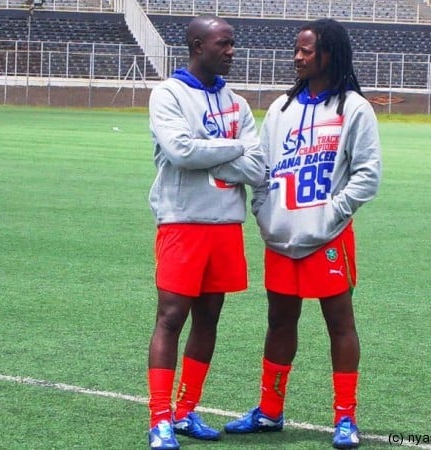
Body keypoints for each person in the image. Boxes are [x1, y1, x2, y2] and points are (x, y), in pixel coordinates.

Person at [223, 18, 382, 449]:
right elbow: (262, 166)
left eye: (307, 50)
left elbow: (367, 175)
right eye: (297, 49)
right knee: (279, 323)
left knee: (340, 324)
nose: (298, 56)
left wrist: (334, 212)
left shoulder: (354, 109)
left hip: (327, 237)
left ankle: (345, 418)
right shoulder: (281, 109)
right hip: (281, 236)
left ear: (329, 53)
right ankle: (270, 411)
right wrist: (264, 211)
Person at [146, 15, 265, 450]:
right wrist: (236, 149)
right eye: (224, 43)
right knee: (171, 317)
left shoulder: (238, 103)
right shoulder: (168, 94)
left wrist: (212, 155)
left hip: (226, 226)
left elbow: (258, 166)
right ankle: (159, 419)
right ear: (197, 45)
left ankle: (185, 410)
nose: (232, 51)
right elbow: (180, 152)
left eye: (232, 43)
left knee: (209, 319)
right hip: (182, 221)